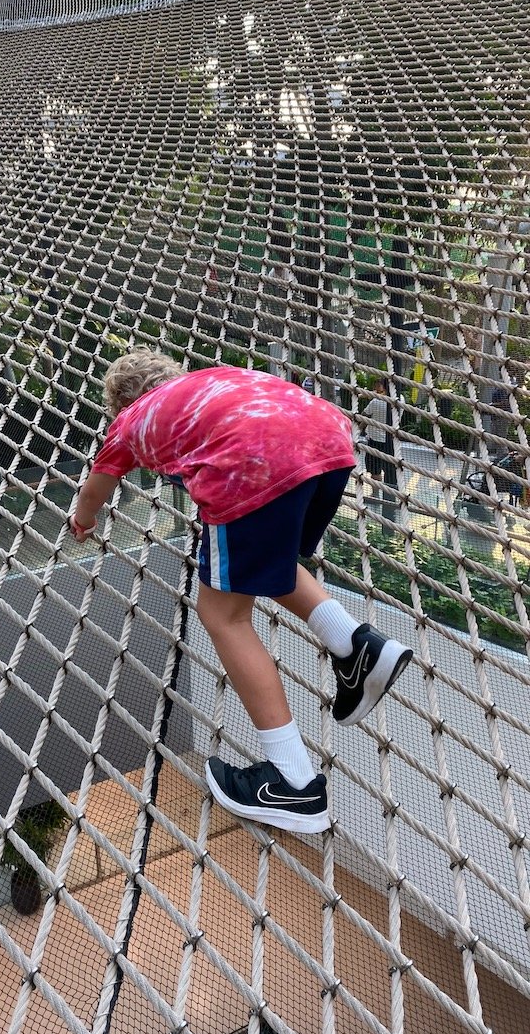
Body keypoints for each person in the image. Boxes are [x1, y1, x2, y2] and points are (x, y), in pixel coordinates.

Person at [70, 349, 413, 835]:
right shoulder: (212, 383)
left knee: (222, 613)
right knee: (267, 563)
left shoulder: (131, 420)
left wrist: (83, 521)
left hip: (252, 463)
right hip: (328, 444)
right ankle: (357, 646)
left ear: (121, 401)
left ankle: (293, 782)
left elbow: (96, 488)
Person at [361, 378, 398, 493]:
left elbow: (364, 415)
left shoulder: (376, 401)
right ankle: (390, 497)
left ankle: (375, 493)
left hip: (375, 440)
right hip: (391, 441)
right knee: (390, 469)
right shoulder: (400, 400)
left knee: (375, 470)